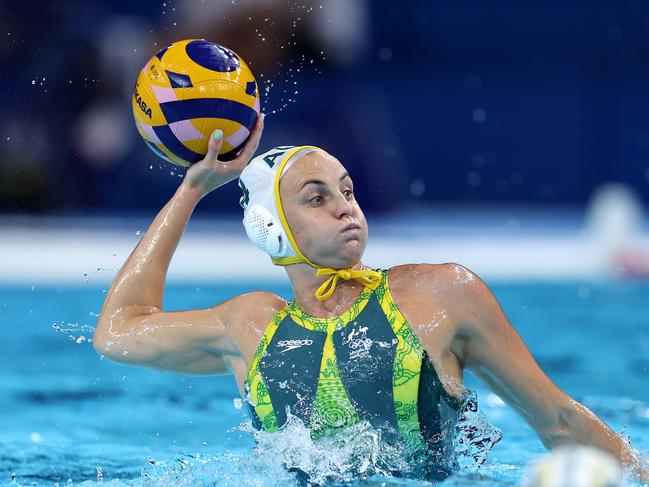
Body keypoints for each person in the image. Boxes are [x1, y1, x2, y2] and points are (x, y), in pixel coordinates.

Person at [93, 114, 648, 482]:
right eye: (317, 197)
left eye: (347, 189)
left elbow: (558, 420)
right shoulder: (250, 327)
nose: (344, 206)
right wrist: (191, 191)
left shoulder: (441, 294)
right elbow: (116, 331)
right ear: (270, 228)